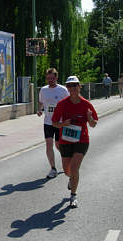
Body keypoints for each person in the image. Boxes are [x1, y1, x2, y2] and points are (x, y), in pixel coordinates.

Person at [52, 75, 98, 208]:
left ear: (79, 86)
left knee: (74, 168)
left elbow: (94, 124)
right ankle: (72, 179)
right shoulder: (62, 104)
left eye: (74, 85)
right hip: (65, 141)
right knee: (67, 171)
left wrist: (89, 118)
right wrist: (62, 124)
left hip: (81, 140)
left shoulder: (86, 104)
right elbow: (54, 122)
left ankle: (73, 195)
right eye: (69, 86)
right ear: (67, 88)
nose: (72, 88)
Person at [37, 68, 69, 179]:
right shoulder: (43, 90)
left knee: (58, 145)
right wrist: (40, 109)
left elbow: (69, 102)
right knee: (49, 143)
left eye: (52, 78)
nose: (50, 80)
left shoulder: (63, 90)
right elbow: (41, 102)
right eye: (48, 78)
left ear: (56, 78)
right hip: (48, 122)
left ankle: (66, 157)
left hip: (60, 123)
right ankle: (53, 168)